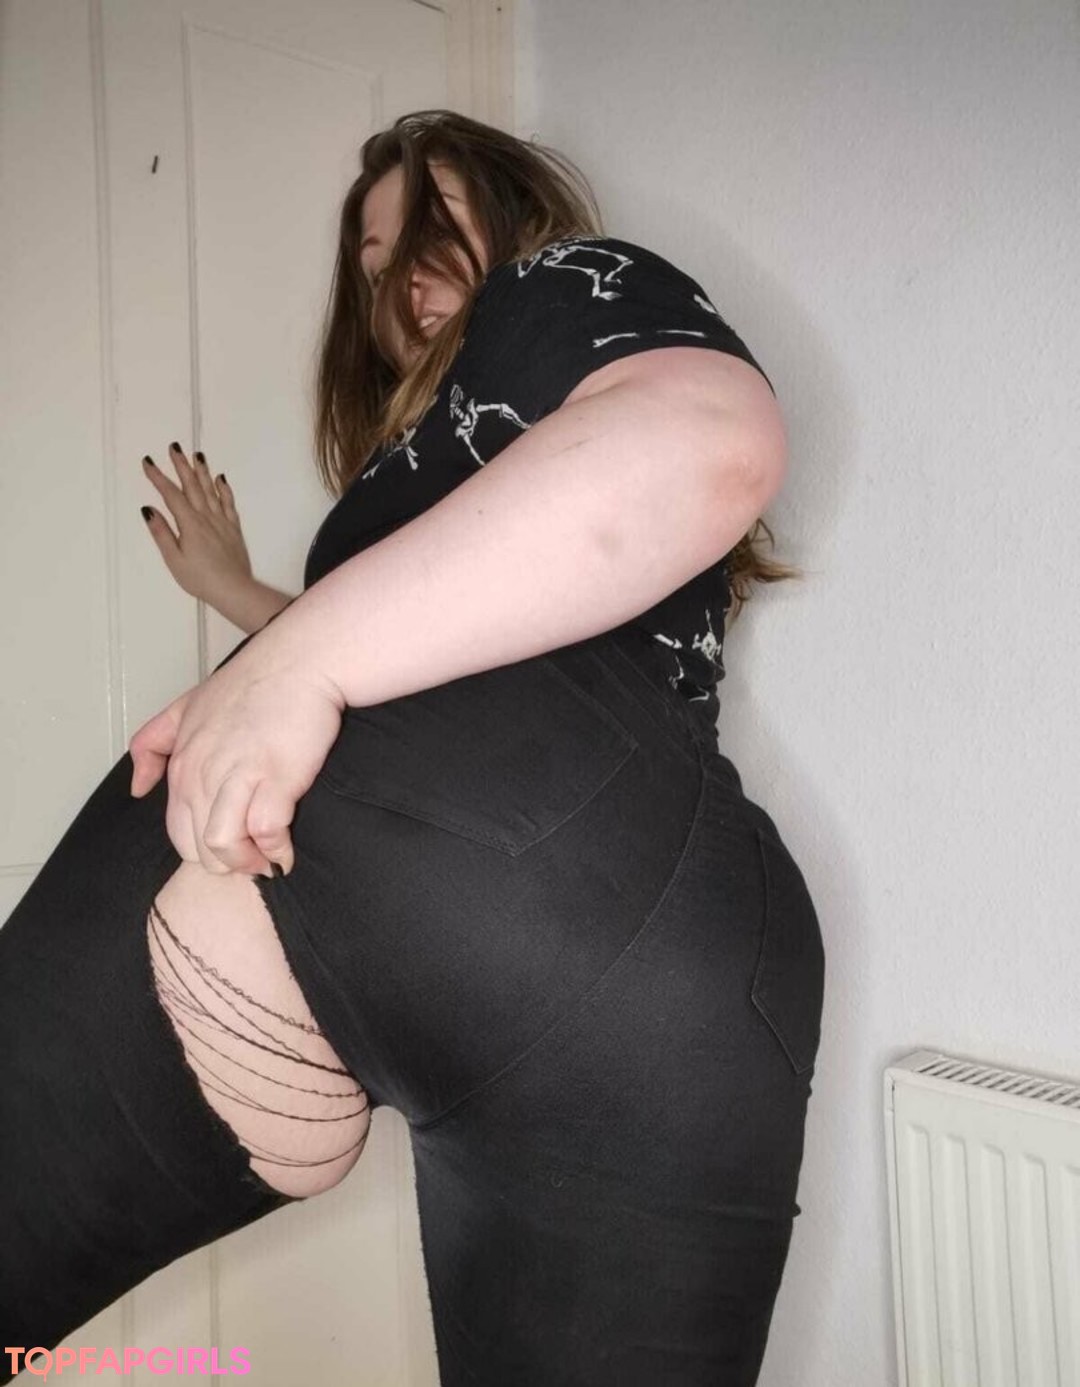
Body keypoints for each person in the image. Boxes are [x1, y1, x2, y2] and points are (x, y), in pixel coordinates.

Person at [0, 110, 825, 1386]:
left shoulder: (563, 283)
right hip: (683, 957)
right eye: (374, 263)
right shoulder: (446, 450)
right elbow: (430, 673)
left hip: (516, 840)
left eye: (428, 226)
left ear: (514, 211)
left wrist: (295, 662)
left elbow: (711, 439)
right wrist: (250, 607)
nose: (397, 279)